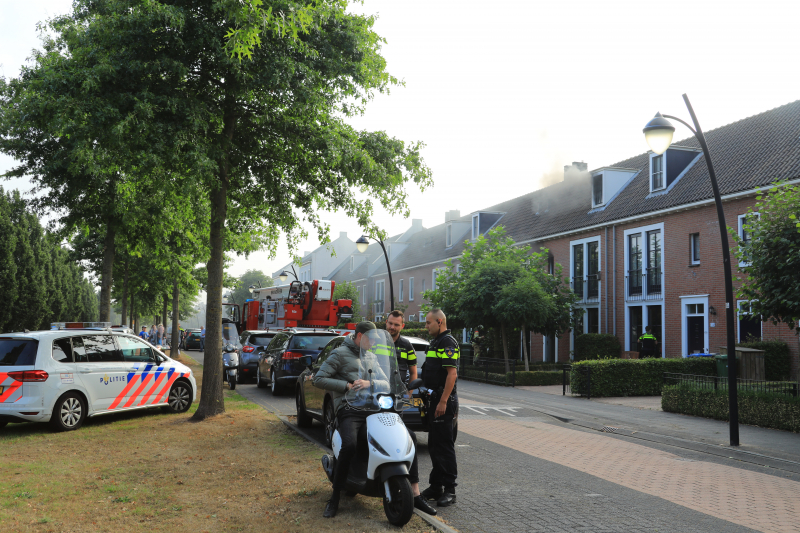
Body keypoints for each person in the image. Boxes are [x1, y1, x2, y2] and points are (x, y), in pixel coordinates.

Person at [312, 321, 435, 518]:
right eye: (371, 339)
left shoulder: (370, 356)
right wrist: (346, 385)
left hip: (373, 407)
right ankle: (335, 496)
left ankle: (415, 494)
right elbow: (318, 379)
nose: (374, 343)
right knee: (350, 444)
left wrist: (370, 382)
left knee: (408, 436)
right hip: (349, 409)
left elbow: (385, 381)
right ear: (360, 336)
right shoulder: (339, 354)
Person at [420, 308, 459, 507]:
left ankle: (450, 490)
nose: (426, 326)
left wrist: (443, 401)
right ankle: (436, 487)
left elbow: (452, 374)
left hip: (444, 401)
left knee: (444, 446)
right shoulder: (436, 342)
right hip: (434, 400)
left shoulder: (448, 342)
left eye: (428, 323)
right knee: (434, 446)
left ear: (439, 321)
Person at [385, 310, 417, 384]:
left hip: (398, 392)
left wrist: (409, 393)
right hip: (378, 390)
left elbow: (413, 373)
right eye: (390, 323)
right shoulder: (376, 342)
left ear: (402, 326)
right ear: (386, 322)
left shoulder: (407, 345)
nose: (392, 327)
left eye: (396, 325)